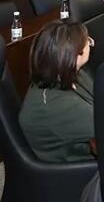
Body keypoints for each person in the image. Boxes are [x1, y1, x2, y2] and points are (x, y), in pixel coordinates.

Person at [19, 20, 95, 162]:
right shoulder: (58, 105)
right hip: (76, 168)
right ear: (75, 55)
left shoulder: (69, 73)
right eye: (89, 42)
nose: (91, 44)